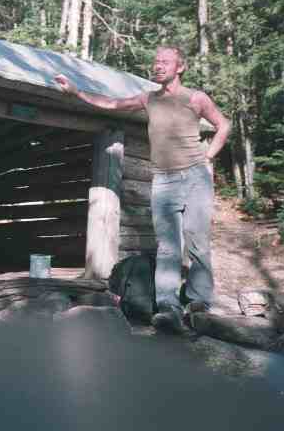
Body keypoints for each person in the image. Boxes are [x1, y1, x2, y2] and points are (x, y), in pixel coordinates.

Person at [55, 46, 231, 333]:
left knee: (197, 242)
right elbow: (112, 104)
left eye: (165, 62)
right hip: (163, 179)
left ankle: (199, 303)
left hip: (196, 177)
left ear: (180, 67)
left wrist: (208, 157)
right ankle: (168, 308)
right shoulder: (148, 99)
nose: (158, 65)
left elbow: (223, 125)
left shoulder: (196, 98)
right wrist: (76, 92)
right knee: (167, 247)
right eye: (156, 61)